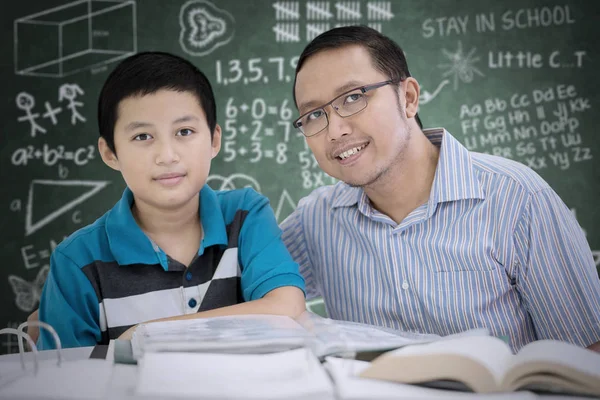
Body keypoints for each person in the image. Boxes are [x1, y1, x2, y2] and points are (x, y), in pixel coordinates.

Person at [280, 26, 600, 353]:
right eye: (314, 114)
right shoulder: (315, 221)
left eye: (353, 97)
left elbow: (589, 354)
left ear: (408, 98)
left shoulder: (517, 199)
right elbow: (236, 286)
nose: (334, 130)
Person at [33, 51, 305, 349]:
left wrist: (143, 334)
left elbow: (286, 308)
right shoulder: (78, 261)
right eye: (142, 137)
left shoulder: (244, 215)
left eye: (184, 132)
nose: (167, 155)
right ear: (110, 152)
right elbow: (64, 380)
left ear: (214, 140)